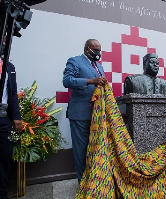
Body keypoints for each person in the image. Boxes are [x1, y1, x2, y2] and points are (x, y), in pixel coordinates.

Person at [62, 39, 107, 182]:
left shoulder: (100, 67)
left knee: (94, 148)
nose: (98, 53)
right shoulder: (75, 61)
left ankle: (93, 180)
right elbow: (67, 81)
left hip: (96, 115)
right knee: (81, 150)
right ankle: (82, 183)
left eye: (100, 50)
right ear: (87, 49)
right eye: (95, 49)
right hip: (80, 114)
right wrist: (90, 81)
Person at [0, 35, 23, 199]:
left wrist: (16, 117)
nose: (4, 43)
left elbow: (12, 94)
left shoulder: (9, 66)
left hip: (3, 120)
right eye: (3, 39)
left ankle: (2, 194)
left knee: (4, 158)